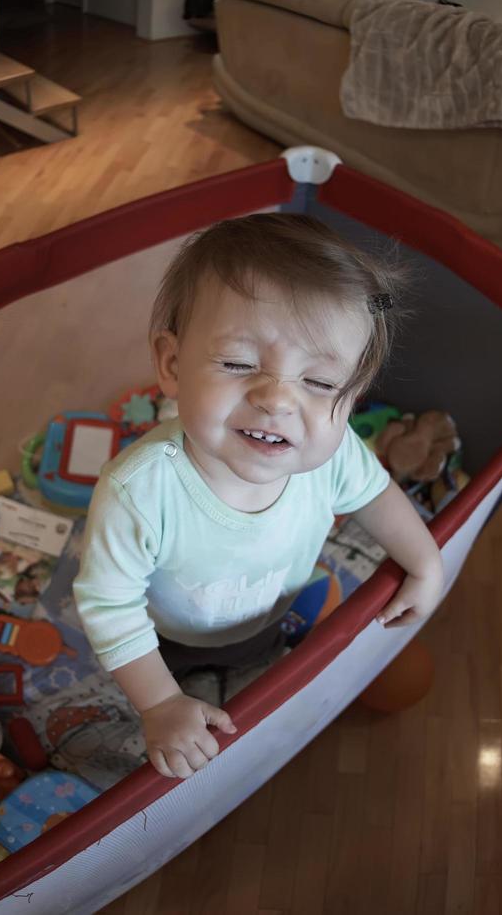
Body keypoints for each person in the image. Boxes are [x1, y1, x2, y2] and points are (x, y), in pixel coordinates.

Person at [72, 213, 445, 779]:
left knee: (261, 695)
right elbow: (110, 607)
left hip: (271, 613)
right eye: (239, 364)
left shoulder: (334, 455)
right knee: (191, 719)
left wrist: (425, 563)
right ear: (172, 365)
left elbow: (376, 495)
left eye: (320, 383)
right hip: (173, 636)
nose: (276, 399)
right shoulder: (139, 490)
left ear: (351, 399)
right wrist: (160, 704)